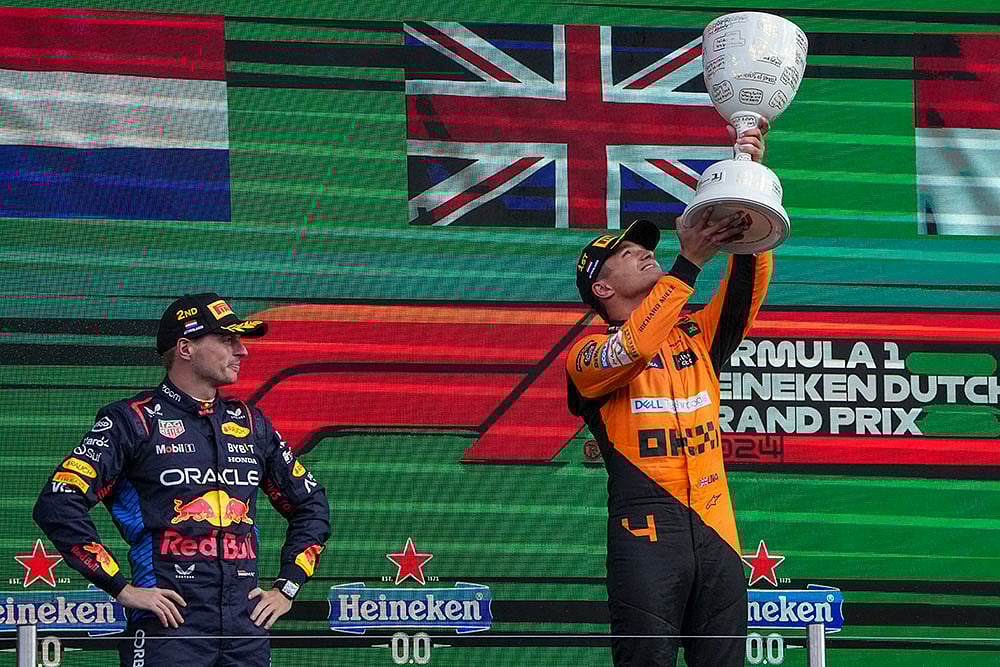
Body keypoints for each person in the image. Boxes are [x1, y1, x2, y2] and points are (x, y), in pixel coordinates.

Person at [34, 293, 331, 667]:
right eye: (227, 340)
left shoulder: (252, 424)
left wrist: (287, 587)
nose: (242, 352)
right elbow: (58, 501)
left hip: (245, 628)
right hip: (168, 627)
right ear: (186, 348)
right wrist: (121, 588)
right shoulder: (132, 421)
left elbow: (311, 504)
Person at [566, 126, 772, 666]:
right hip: (645, 539)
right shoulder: (587, 357)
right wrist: (688, 265)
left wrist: (747, 196)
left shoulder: (696, 336)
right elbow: (633, 349)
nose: (642, 255)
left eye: (644, 250)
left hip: (718, 533)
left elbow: (746, 293)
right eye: (628, 254)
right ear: (602, 289)